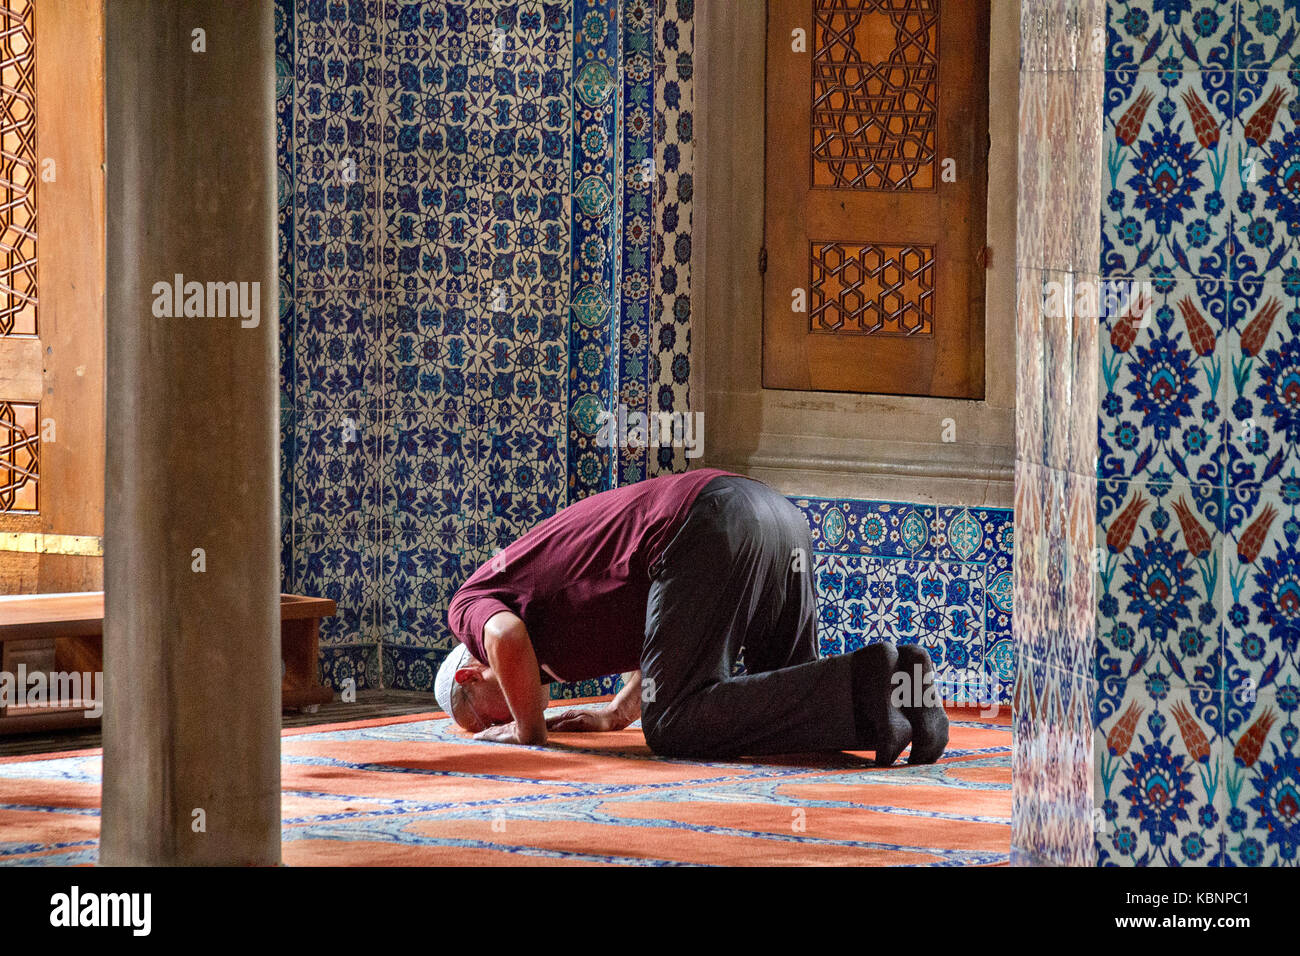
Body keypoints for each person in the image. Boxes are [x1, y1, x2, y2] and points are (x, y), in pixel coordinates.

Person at [437, 468, 948, 764]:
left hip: (708, 524)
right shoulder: (555, 639)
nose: (494, 725)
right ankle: (900, 692)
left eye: (482, 718)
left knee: (674, 726)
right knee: (793, 706)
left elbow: (505, 635)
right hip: (772, 519)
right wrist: (618, 712)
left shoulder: (471, 607)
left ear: (469, 672)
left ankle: (875, 678)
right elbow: (660, 630)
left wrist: (529, 731)